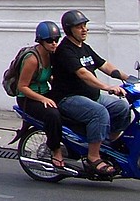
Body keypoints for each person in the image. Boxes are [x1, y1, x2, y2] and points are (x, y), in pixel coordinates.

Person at [52, 9, 131, 177]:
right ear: (69, 30)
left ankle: (109, 144)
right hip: (69, 98)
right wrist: (106, 87)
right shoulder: (65, 50)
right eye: (79, 27)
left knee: (121, 107)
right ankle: (93, 157)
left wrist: (130, 78)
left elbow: (104, 65)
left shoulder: (84, 48)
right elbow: (83, 73)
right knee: (99, 113)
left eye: (85, 25)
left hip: (91, 96)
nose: (84, 29)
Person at [17, 20, 64, 168]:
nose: (54, 43)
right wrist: (43, 98)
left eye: (56, 40)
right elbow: (22, 86)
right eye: (49, 41)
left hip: (44, 94)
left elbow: (47, 76)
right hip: (28, 99)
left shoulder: (51, 55)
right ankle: (56, 150)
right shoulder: (32, 59)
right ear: (41, 41)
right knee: (53, 115)